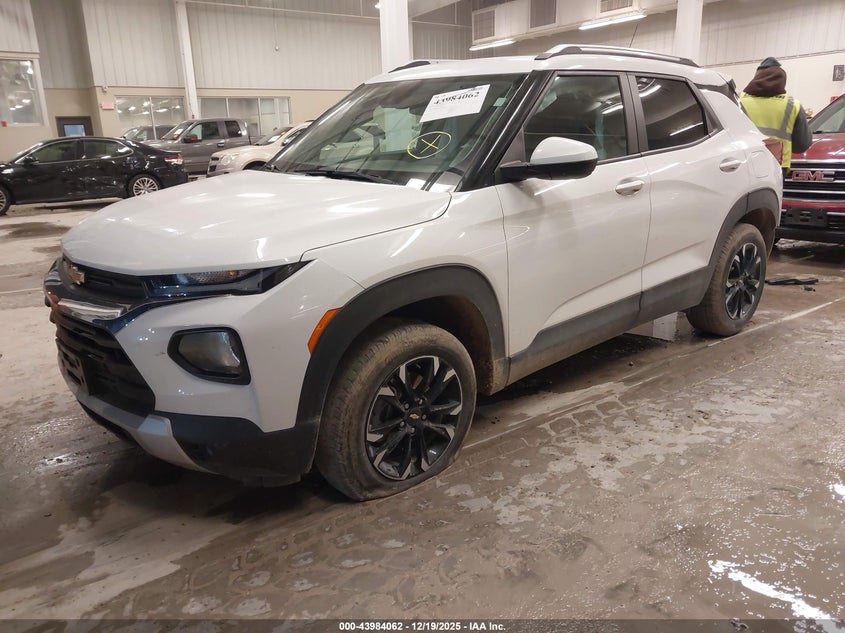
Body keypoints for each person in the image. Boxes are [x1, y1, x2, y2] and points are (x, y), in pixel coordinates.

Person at [740, 57, 812, 173]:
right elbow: (802, 145)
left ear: (756, 77)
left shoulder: (738, 100)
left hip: (743, 163)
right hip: (777, 165)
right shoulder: (792, 105)